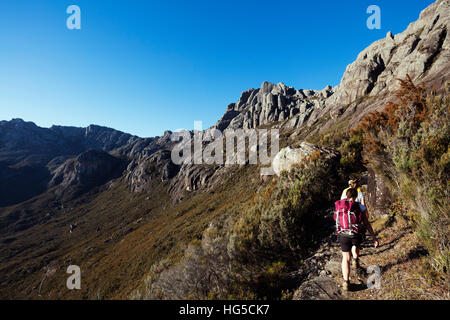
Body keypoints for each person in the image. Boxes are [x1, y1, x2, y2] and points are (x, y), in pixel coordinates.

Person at [338, 188, 378, 291]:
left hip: (343, 234)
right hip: (355, 234)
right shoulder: (359, 206)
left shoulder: (340, 205)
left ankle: (346, 282)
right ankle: (355, 260)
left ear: (346, 195)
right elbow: (366, 223)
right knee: (356, 245)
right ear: (356, 196)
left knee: (345, 258)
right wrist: (374, 237)